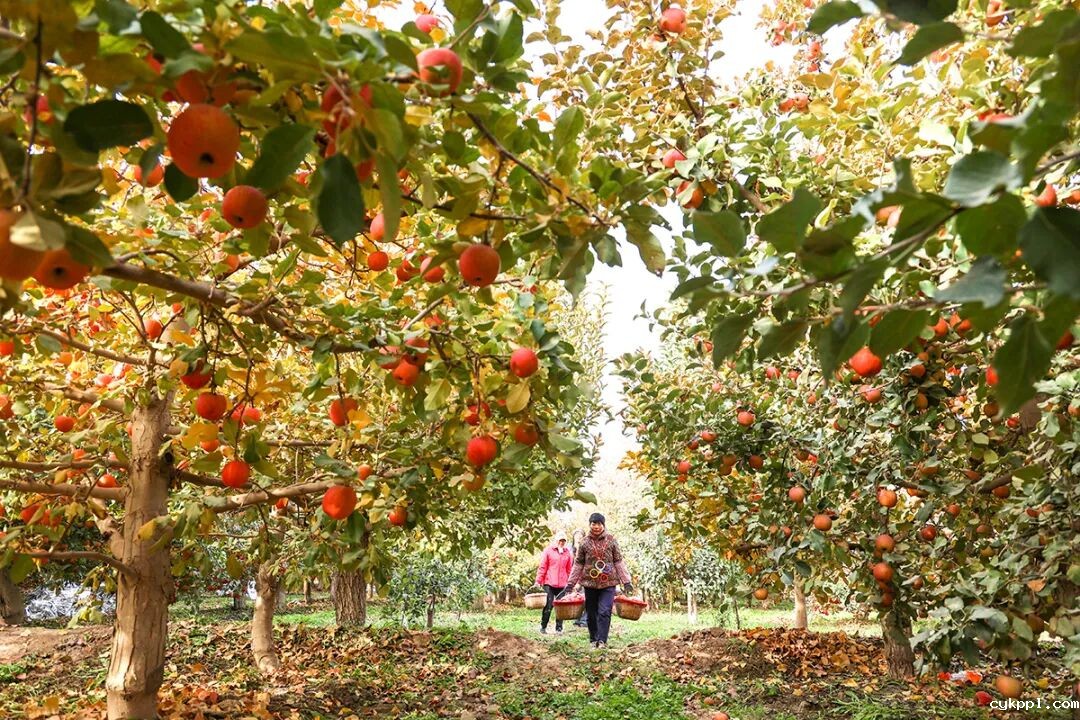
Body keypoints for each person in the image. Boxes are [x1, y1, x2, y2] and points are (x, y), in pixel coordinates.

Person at [566, 513, 633, 649]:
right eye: (593, 523)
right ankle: (593, 639)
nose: (596, 526)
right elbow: (578, 563)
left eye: (599, 524)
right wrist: (570, 583)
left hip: (609, 583)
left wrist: (626, 581)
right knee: (591, 613)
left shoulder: (611, 540)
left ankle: (602, 640)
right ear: (590, 525)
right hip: (589, 583)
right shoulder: (584, 542)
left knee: (604, 611)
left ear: (603, 525)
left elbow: (618, 561)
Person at [535, 530, 572, 634]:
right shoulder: (548, 551)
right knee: (548, 605)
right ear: (556, 540)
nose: (562, 542)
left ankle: (559, 628)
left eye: (563, 541)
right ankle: (543, 627)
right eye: (560, 540)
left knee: (561, 607)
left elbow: (569, 570)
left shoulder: (567, 553)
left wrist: (570, 583)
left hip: (562, 584)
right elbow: (543, 567)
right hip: (549, 583)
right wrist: (538, 581)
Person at [571, 529, 588, 628]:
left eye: (580, 536)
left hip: (585, 577)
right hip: (574, 578)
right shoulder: (570, 550)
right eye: (576, 536)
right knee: (576, 599)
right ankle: (577, 619)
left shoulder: (586, 549)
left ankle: (584, 620)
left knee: (586, 599)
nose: (578, 538)